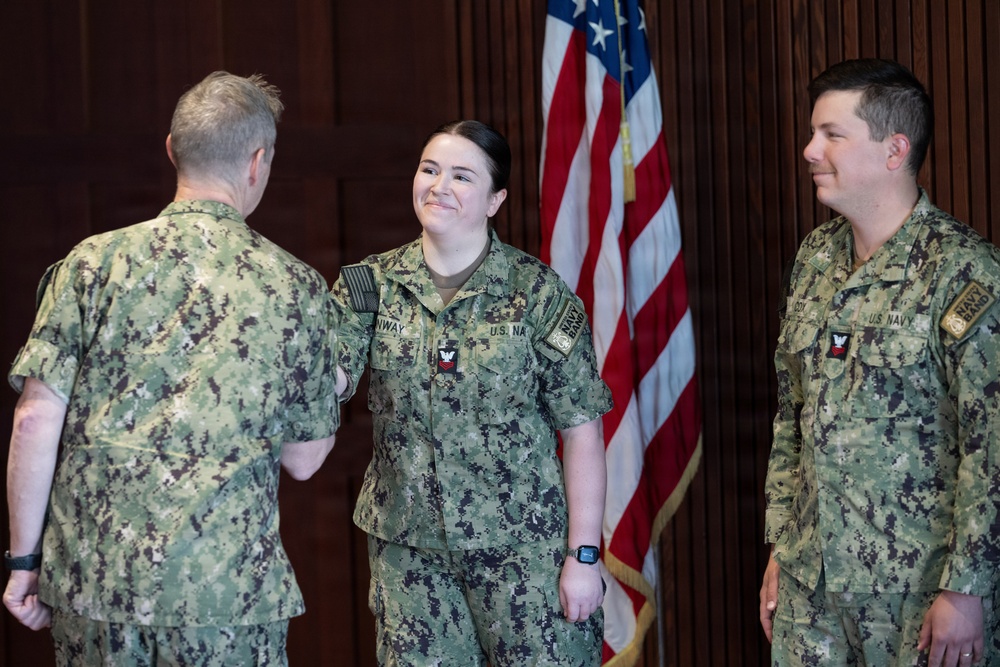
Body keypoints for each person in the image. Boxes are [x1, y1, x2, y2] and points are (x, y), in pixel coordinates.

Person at [3, 71, 339, 665]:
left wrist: (24, 563)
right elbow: (305, 459)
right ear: (257, 161)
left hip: (96, 588)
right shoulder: (296, 288)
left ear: (172, 150)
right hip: (229, 599)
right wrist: (334, 381)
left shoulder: (90, 265)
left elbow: (33, 421)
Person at [330, 120, 612, 666]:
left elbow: (581, 430)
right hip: (410, 559)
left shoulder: (537, 293)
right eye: (429, 169)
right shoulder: (370, 287)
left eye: (462, 176)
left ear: (494, 199)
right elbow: (332, 381)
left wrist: (583, 554)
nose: (438, 186)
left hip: (525, 554)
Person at [759, 58, 1000, 666]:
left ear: (895, 150)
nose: (810, 149)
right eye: (814, 132)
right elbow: (793, 417)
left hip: (918, 595)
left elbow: (991, 443)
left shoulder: (965, 272)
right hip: (809, 591)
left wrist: (966, 588)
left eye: (831, 135)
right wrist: (781, 549)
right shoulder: (814, 257)